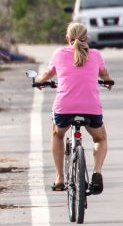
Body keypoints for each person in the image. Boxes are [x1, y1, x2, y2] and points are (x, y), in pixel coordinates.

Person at [36, 22, 113, 194]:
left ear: (67, 38)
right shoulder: (95, 55)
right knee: (100, 139)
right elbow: (106, 75)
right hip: (91, 109)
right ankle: (97, 171)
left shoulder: (59, 53)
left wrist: (38, 81)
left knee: (57, 134)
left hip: (65, 108)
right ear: (87, 38)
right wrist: (108, 82)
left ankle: (59, 178)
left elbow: (46, 74)